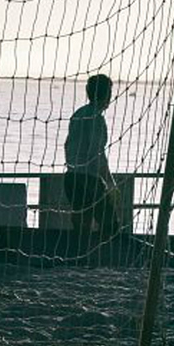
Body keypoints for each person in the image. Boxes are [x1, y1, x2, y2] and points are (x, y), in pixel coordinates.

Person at [64, 74, 119, 240]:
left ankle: (80, 258)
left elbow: (68, 145)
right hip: (89, 181)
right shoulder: (97, 119)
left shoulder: (78, 114)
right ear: (106, 95)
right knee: (110, 226)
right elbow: (97, 154)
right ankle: (101, 260)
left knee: (81, 225)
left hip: (72, 177)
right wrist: (110, 182)